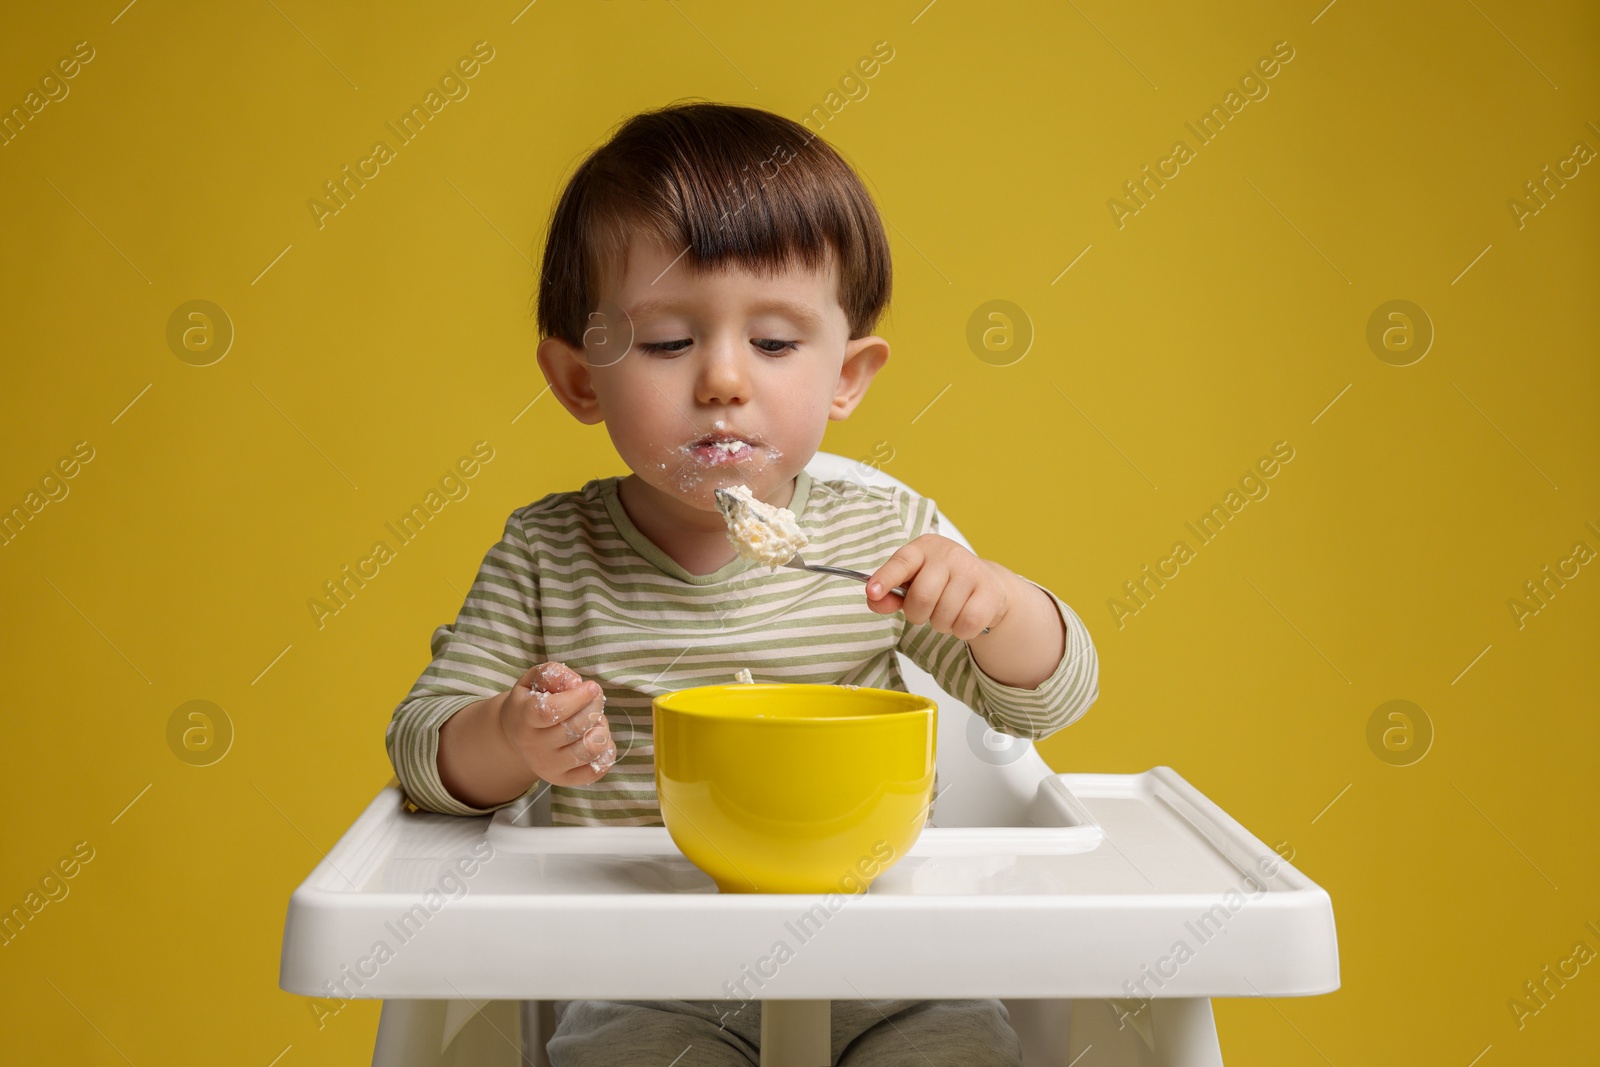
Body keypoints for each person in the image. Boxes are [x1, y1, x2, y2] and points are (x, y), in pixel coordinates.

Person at [386, 100, 1100, 1066]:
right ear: (579, 380)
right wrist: (512, 739)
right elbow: (425, 751)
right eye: (669, 343)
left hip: (891, 974)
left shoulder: (882, 535)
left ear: (848, 377)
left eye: (773, 344)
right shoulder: (549, 556)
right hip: (653, 985)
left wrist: (999, 608)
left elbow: (1048, 700)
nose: (723, 379)